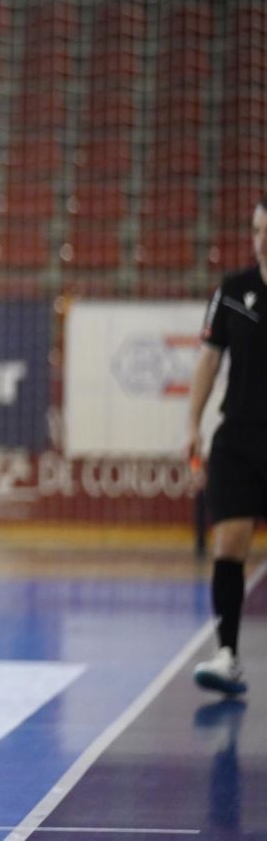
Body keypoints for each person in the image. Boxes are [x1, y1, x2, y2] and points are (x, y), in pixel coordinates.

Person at [186, 197, 267, 698]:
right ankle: (227, 655)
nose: (261, 238)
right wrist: (191, 425)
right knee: (229, 545)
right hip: (237, 437)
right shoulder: (233, 291)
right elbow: (208, 363)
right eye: (257, 229)